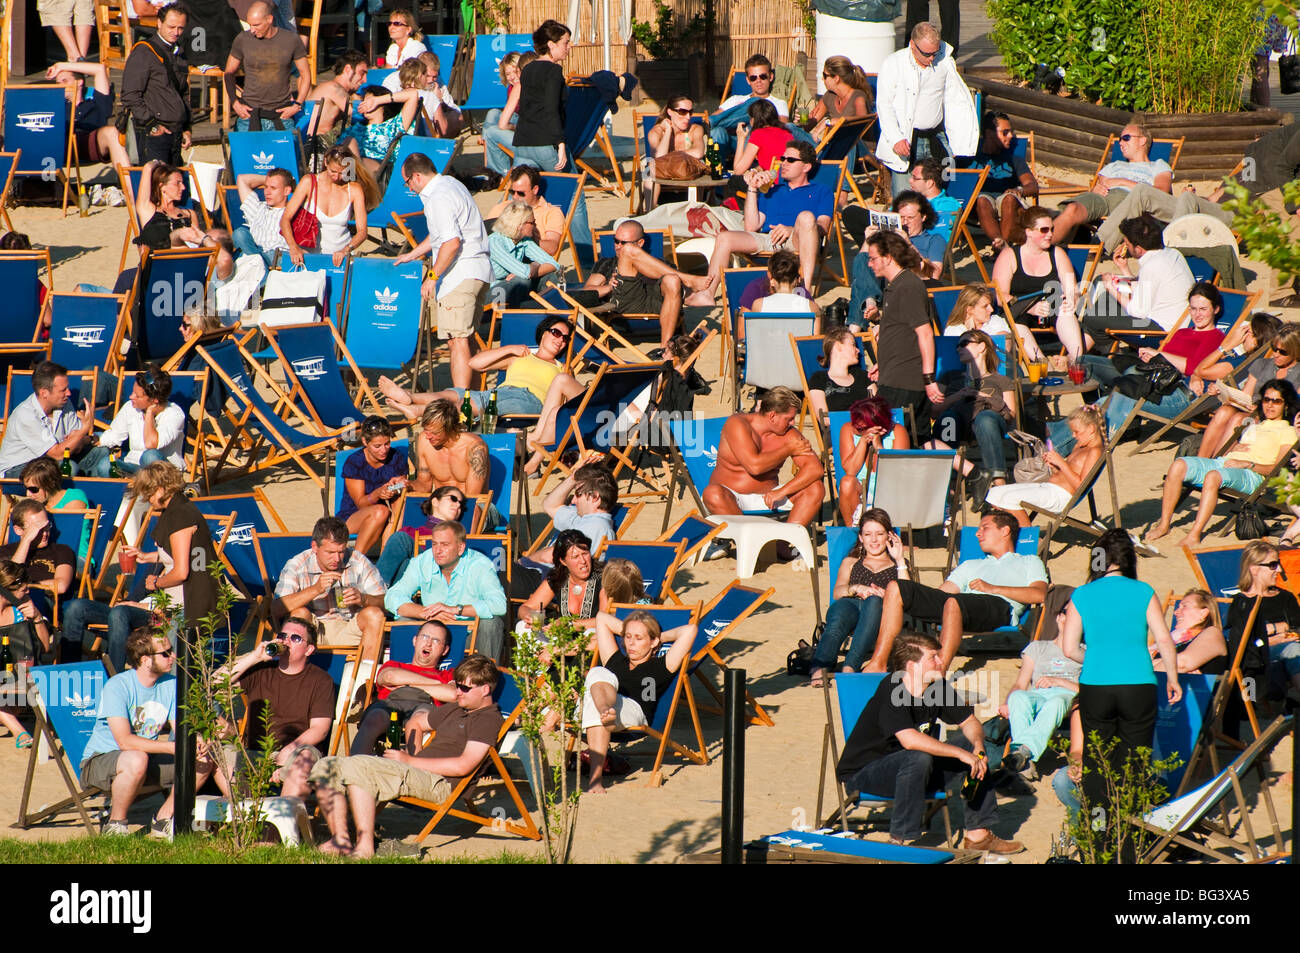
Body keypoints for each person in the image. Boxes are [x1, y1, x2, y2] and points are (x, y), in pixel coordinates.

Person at [835, 631, 1023, 853]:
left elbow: (970, 722)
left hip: (918, 771)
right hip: (867, 774)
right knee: (920, 755)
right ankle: (899, 841)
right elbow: (910, 740)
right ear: (913, 666)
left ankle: (978, 834)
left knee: (972, 747)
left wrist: (978, 749)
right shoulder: (892, 689)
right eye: (933, 657)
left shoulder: (937, 687)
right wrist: (959, 754)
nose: (941, 661)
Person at [310, 653, 501, 857]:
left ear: (485, 690)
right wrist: (415, 756)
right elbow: (415, 723)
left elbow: (463, 766)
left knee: (359, 766)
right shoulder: (457, 709)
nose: (457, 693)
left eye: (464, 688)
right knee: (327, 765)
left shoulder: (487, 720)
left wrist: (411, 761)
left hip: (440, 783)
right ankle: (341, 840)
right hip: (418, 771)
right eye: (457, 686)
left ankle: (365, 847)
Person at [1060, 529, 1182, 822]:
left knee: (1097, 759)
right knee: (1135, 760)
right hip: (1138, 683)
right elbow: (1164, 640)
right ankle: (1131, 832)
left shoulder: (1082, 594)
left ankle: (1102, 834)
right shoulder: (1143, 591)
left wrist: (1098, 658)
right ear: (1129, 559)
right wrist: (1174, 677)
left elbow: (1068, 648)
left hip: (1096, 686)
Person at [80, 627, 220, 837]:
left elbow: (179, 728)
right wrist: (172, 747)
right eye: (165, 653)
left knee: (202, 761)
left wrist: (196, 742)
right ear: (145, 660)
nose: (173, 656)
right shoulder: (118, 686)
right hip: (102, 761)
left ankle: (163, 819)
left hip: (145, 759)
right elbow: (125, 741)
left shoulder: (171, 685)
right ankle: (115, 825)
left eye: (171, 650)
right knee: (136, 758)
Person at [871, 510, 1048, 673]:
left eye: (984, 528)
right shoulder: (970, 564)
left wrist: (993, 588)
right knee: (897, 587)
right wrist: (897, 591)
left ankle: (937, 671)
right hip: (960, 605)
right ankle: (877, 664)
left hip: (1000, 607)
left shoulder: (1029, 561)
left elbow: (1040, 594)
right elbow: (941, 595)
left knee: (953, 602)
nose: (977, 533)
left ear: (1005, 531)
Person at [1147, 379, 1299, 548]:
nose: (1270, 405)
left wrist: (1247, 464)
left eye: (1276, 401)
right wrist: (1237, 445)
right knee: (1179, 465)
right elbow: (1230, 450)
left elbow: (1275, 470)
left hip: (1253, 475)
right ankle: (1164, 525)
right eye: (1266, 399)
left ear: (1286, 405)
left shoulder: (1288, 432)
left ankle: (1194, 534)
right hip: (1227, 463)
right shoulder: (1256, 423)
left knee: (1213, 476)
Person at [685, 140, 833, 307]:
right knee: (724, 238)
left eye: (790, 160)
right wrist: (752, 188)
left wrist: (792, 229)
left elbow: (822, 227)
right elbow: (751, 226)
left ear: (806, 167)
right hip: (768, 239)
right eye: (783, 158)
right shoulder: (772, 190)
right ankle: (708, 293)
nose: (783, 163)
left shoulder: (822, 191)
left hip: (799, 239)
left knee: (806, 217)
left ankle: (804, 292)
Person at [1076, 282, 1229, 444]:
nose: (1197, 314)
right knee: (1084, 363)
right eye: (1193, 308)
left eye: (1203, 309)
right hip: (1148, 376)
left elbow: (1195, 368)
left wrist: (1159, 354)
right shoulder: (1182, 332)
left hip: (1172, 391)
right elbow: (1163, 361)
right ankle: (1114, 417)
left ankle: (1096, 420)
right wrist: (1150, 357)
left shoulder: (1215, 337)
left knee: (1118, 394)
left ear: (1216, 309)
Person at [392, 152, 491, 391]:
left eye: (407, 183)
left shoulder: (437, 197)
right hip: (479, 270)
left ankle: (459, 405)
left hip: (460, 275)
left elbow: (451, 243)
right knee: (467, 340)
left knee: (457, 342)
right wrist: (412, 254)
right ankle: (474, 402)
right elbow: (441, 236)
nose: (410, 189)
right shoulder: (452, 184)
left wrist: (432, 277)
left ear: (415, 176)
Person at [216, 616, 334, 798]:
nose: (286, 641)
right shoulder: (261, 670)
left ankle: (280, 824)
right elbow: (216, 682)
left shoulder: (320, 680)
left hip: (296, 752)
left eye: (295, 638)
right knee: (210, 752)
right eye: (282, 636)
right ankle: (247, 816)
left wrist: (289, 750)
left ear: (309, 649)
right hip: (253, 753)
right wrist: (255, 657)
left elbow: (320, 730)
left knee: (304, 761)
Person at [582, 611, 696, 792]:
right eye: (628, 637)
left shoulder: (661, 666)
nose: (631, 643)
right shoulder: (615, 660)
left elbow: (690, 630)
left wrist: (658, 638)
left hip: (635, 711)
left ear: (653, 642)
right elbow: (602, 618)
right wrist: (632, 629)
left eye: (638, 638)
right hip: (605, 709)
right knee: (598, 673)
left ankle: (604, 709)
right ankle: (605, 709)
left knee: (596, 696)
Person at [702, 387, 825, 550]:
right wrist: (788, 449)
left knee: (816, 488)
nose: (793, 423)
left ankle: (784, 545)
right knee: (712, 493)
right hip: (732, 499)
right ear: (772, 415)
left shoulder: (789, 434)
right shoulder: (738, 424)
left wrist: (781, 492)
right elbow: (754, 466)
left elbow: (815, 469)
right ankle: (749, 543)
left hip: (770, 498)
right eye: (789, 418)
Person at [875, 22, 978, 196]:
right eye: (926, 54)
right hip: (907, 139)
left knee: (943, 190)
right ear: (912, 45)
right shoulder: (894, 63)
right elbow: (884, 105)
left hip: (936, 136)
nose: (931, 58)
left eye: (935, 53)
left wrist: (956, 140)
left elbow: (955, 100)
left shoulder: (944, 61)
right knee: (905, 196)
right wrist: (895, 138)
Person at [385, 520, 508, 663]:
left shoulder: (480, 565)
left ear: (460, 548)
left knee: (491, 623)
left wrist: (455, 609)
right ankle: (402, 678)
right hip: (431, 635)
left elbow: (499, 605)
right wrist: (427, 613)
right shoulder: (421, 562)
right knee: (404, 621)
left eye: (445, 545)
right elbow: (392, 596)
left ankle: (485, 679)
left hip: (469, 635)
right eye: (434, 544)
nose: (437, 551)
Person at [810, 508, 908, 686]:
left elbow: (908, 595)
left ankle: (850, 666)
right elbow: (837, 592)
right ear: (861, 537)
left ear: (889, 536)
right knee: (840, 611)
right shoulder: (851, 562)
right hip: (851, 605)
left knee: (873, 601)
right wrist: (856, 588)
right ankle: (819, 667)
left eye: (879, 534)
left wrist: (900, 560)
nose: (874, 539)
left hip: (881, 611)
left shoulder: (898, 565)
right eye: (868, 534)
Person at [273, 516, 386, 670]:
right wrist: (316, 589)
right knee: (299, 614)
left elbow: (386, 603)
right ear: (315, 547)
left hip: (350, 627)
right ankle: (292, 676)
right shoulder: (298, 565)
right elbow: (276, 609)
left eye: (341, 552)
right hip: (313, 630)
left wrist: (364, 599)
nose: (337, 558)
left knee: (374, 614)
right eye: (330, 552)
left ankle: (364, 681)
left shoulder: (358, 561)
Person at [582, 220, 708, 350]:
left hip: (658, 302)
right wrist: (608, 287)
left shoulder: (662, 264)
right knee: (628, 251)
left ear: (640, 243)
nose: (618, 246)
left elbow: (679, 293)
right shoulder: (607, 263)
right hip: (628, 301)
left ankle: (665, 348)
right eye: (616, 241)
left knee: (672, 279)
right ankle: (687, 278)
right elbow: (587, 291)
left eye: (623, 242)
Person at [120, 462, 220, 625]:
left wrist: (156, 583)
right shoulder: (180, 508)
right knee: (121, 611)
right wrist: (146, 556)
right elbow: (184, 554)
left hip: (188, 607)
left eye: (149, 494)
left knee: (121, 613)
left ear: (160, 488)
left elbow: (181, 572)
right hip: (191, 601)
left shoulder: (179, 517)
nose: (147, 500)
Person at [866, 230, 941, 443]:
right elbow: (901, 332)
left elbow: (925, 333)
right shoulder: (897, 286)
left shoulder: (908, 286)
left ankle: (969, 471)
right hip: (895, 375)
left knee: (897, 441)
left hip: (904, 383)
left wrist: (929, 379)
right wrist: (884, 363)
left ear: (889, 257)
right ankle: (969, 472)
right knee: (917, 442)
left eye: (873, 259)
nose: (870, 265)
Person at [1079, 213, 1194, 351]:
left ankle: (1109, 354)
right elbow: (1148, 289)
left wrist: (1111, 287)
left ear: (1138, 249)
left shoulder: (1152, 265)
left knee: (1093, 318)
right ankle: (1081, 350)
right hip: (1177, 320)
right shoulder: (1171, 254)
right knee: (1106, 301)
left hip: (1162, 331)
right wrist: (1124, 268)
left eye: (1127, 244)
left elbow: (1138, 311)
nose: (1125, 247)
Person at [1051, 122, 1173, 245]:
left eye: (1126, 138)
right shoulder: (1114, 166)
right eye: (1120, 139)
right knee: (1072, 208)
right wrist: (1095, 189)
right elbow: (1101, 183)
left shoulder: (1158, 165)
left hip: (1131, 201)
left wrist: (1121, 181)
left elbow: (1160, 192)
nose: (1120, 143)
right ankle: (1048, 247)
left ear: (1142, 140)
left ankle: (1097, 245)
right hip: (1103, 198)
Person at [999, 600, 1081, 779]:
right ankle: (1024, 759)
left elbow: (1090, 691)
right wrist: (1008, 702)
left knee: (1056, 702)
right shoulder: (1037, 648)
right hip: (1037, 695)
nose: (1073, 619)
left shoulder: (1086, 653)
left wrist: (1059, 681)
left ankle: (1022, 752)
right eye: (1069, 613)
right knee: (1019, 697)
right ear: (1060, 617)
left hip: (1067, 696)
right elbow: (1020, 683)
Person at [349, 620, 456, 756]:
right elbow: (389, 677)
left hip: (426, 705)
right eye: (424, 637)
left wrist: (407, 684)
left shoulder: (447, 674)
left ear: (445, 650)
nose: (428, 643)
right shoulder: (395, 665)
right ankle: (354, 767)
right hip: (390, 704)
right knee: (373, 718)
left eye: (436, 640)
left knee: (419, 719)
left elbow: (453, 694)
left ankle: (414, 769)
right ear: (415, 641)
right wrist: (437, 685)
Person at [986, 403, 1103, 527]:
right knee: (994, 493)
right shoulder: (1080, 445)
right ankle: (1015, 533)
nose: (1073, 435)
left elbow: (1081, 485)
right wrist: (1055, 467)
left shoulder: (1094, 452)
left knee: (1010, 498)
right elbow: (1068, 472)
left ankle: (1031, 541)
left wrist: (1061, 463)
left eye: (1076, 432)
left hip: (1060, 496)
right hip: (1048, 487)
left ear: (1091, 429)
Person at [1197, 320, 1300, 457]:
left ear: (1296, 352)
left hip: (1277, 418)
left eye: (1283, 352)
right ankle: (1200, 462)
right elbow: (1246, 395)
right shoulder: (1262, 364)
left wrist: (1260, 409)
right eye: (1274, 348)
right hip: (1252, 410)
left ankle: (1217, 463)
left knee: (1239, 419)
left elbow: (1293, 408)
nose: (1276, 354)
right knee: (1224, 411)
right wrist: (1221, 392)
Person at [1222, 542, 1300, 721]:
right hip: (1258, 655)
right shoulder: (1241, 603)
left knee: (1294, 649)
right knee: (1293, 650)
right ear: (1254, 569)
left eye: (1278, 563)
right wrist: (1271, 634)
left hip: (1287, 649)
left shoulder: (1285, 597)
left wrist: (1271, 634)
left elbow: (1296, 629)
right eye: (1273, 565)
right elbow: (1245, 641)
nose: (1279, 570)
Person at [992, 205, 1082, 359]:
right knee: (1016, 319)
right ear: (1028, 232)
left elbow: (1072, 289)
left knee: (1065, 310)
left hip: (1051, 307)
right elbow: (1000, 296)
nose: (1050, 234)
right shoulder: (1009, 256)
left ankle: (1077, 359)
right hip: (1019, 310)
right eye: (1044, 230)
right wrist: (1030, 306)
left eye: (1052, 229)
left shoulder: (1058, 255)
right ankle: (1039, 363)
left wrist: (1072, 300)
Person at [933, 329, 1018, 491]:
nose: (958, 348)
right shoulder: (951, 377)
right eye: (957, 346)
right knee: (947, 419)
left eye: (964, 343)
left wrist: (982, 396)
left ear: (981, 347)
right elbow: (934, 412)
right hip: (957, 426)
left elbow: (1011, 415)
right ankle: (945, 483)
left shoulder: (1001, 380)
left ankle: (998, 483)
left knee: (985, 418)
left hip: (988, 425)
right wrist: (958, 396)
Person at [0, 360, 98, 478]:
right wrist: (84, 430)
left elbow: (76, 445)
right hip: (18, 468)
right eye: (63, 390)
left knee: (100, 453)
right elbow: (57, 454)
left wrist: (78, 440)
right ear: (44, 393)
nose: (69, 393)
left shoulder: (64, 404)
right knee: (68, 468)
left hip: (53, 460)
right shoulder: (26, 415)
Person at [121, 3, 191, 167]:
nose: (176, 32)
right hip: (153, 133)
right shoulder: (144, 52)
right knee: (155, 187)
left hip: (175, 131)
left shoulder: (179, 52)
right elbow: (130, 95)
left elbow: (183, 93)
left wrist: (187, 127)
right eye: (171, 27)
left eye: (180, 28)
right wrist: (152, 125)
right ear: (159, 23)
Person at [483, 164, 565, 305]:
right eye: (512, 192)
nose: (515, 197)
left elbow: (552, 252)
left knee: (550, 277)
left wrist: (531, 262)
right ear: (519, 224)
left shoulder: (551, 212)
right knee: (521, 281)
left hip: (529, 268)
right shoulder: (502, 209)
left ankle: (549, 314)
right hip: (501, 284)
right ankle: (516, 316)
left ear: (535, 189)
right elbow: (484, 237)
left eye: (521, 193)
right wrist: (529, 268)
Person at [223, 1, 311, 131]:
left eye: (256, 25)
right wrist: (235, 103)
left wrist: (298, 104)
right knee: (241, 151)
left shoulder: (291, 39)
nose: (252, 30)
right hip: (249, 113)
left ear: (269, 19)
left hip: (281, 114)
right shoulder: (243, 39)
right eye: (250, 25)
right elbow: (229, 72)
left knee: (288, 151)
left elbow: (305, 74)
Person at [281, 145, 372, 267]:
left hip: (341, 257)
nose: (337, 177)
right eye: (333, 171)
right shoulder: (309, 182)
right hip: (309, 256)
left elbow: (362, 232)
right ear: (325, 162)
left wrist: (345, 250)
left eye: (342, 173)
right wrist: (293, 247)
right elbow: (285, 219)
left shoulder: (353, 189)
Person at [92, 364, 187, 475]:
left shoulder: (174, 414)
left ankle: (145, 488)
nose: (131, 397)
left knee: (150, 456)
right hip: (133, 467)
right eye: (133, 392)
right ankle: (130, 487)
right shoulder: (130, 407)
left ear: (154, 400)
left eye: (137, 396)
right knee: (106, 464)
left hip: (163, 471)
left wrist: (149, 413)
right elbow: (114, 435)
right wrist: (92, 438)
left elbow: (151, 444)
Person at [834, 395, 911, 527]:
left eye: (863, 428)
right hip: (861, 491)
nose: (858, 430)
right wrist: (863, 441)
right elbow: (850, 471)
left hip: (890, 490)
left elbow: (896, 474)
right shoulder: (848, 429)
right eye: (858, 428)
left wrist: (878, 447)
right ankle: (854, 532)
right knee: (846, 482)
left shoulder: (898, 432)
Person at [529, 455, 618, 566]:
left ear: (595, 498)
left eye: (578, 494)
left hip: (544, 576)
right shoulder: (581, 516)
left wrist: (523, 562)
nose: (573, 500)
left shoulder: (596, 527)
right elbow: (549, 506)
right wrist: (573, 478)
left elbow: (549, 557)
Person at [337, 416, 407, 556]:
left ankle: (385, 561)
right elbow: (360, 504)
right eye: (377, 446)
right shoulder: (355, 462)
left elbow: (404, 490)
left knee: (401, 500)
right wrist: (378, 493)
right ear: (365, 441)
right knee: (380, 511)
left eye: (387, 444)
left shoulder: (396, 458)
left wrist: (400, 485)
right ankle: (356, 562)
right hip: (353, 515)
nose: (383, 450)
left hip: (388, 515)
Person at [0, 561, 52, 749]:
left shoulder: (22, 612)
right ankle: (19, 731)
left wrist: (37, 618)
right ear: (6, 590)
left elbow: (46, 648)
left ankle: (15, 724)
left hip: (19, 684)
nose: (28, 592)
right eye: (24, 588)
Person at [46, 60, 132, 172]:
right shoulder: (56, 106)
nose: (61, 85)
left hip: (91, 143)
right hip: (64, 146)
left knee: (112, 132)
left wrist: (60, 65)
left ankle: (130, 187)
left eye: (65, 81)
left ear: (79, 82)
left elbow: (100, 69)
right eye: (58, 83)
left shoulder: (97, 103)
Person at [374, 485, 470, 586]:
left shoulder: (456, 534)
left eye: (461, 504)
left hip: (437, 568)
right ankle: (382, 594)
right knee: (406, 564)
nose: (458, 505)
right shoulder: (409, 531)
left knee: (401, 538)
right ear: (435, 502)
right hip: (416, 573)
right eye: (453, 499)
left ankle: (375, 589)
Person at [970, 112, 1038, 252]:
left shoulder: (1014, 158)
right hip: (979, 205)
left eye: (1010, 132)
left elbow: (1032, 186)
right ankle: (998, 242)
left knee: (1008, 199)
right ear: (989, 134)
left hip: (1008, 203)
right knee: (982, 200)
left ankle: (1001, 247)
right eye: (1005, 132)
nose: (1010, 136)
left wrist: (1019, 190)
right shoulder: (971, 157)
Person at [518, 530, 610, 630]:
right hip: (562, 639)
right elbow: (524, 608)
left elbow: (605, 620)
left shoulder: (603, 578)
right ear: (563, 561)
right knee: (521, 626)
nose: (583, 561)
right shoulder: (558, 578)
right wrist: (529, 617)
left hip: (593, 639)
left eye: (585, 553)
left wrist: (569, 624)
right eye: (575, 557)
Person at [943, 283, 1044, 364]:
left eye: (990, 305)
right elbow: (955, 360)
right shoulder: (954, 329)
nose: (991, 309)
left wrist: (972, 343)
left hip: (997, 373)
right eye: (985, 306)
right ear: (969, 310)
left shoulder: (994, 320)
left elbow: (1004, 347)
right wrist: (988, 343)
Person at [18, 458, 90, 569]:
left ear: (50, 483)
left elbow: (67, 537)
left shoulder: (75, 498)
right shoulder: (38, 505)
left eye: (33, 489)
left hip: (74, 556)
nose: (28, 494)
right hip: (41, 555)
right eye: (26, 488)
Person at [340, 81, 422, 172]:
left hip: (381, 169)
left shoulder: (393, 125)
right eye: (364, 101)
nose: (365, 104)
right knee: (349, 142)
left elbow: (413, 95)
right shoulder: (354, 129)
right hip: (347, 168)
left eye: (368, 101)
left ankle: (350, 179)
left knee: (352, 148)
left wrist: (377, 100)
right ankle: (349, 179)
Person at [380, 51, 463, 137]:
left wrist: (441, 102)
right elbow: (443, 130)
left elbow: (454, 109)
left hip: (396, 133)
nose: (431, 80)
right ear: (420, 73)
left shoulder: (436, 84)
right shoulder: (393, 81)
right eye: (427, 76)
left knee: (455, 116)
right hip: (404, 127)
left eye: (434, 77)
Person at [1150, 589, 1227, 676]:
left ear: (1203, 613)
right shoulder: (1169, 641)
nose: (1176, 612)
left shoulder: (1213, 634)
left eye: (1184, 606)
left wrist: (1143, 667)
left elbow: (1181, 663)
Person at [304, 50, 370, 146]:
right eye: (362, 73)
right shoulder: (333, 88)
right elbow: (357, 113)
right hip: (318, 145)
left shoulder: (336, 89)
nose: (365, 80)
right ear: (348, 69)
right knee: (353, 140)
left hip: (323, 143)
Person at [231, 168, 294, 265]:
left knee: (243, 259)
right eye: (266, 187)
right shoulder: (258, 207)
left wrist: (287, 180)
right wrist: (269, 179)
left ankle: (257, 267)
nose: (267, 192)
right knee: (239, 233)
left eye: (273, 188)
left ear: (287, 191)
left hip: (278, 256)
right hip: (255, 251)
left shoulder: (294, 211)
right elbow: (242, 179)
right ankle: (259, 266)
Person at [486, 51, 534, 176]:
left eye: (515, 71)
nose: (512, 77)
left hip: (526, 133)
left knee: (491, 132)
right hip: (517, 122)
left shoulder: (528, 88)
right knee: (493, 113)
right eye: (508, 74)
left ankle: (501, 174)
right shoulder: (512, 88)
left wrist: (511, 127)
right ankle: (490, 169)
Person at [808, 327, 872, 420]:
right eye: (853, 345)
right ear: (838, 346)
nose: (858, 350)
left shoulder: (863, 376)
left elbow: (879, 410)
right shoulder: (819, 379)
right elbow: (824, 419)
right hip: (839, 431)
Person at [809, 55, 873, 143]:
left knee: (846, 139)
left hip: (856, 145)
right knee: (791, 128)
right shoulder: (829, 96)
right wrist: (803, 120)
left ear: (836, 78)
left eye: (825, 75)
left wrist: (831, 121)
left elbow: (861, 123)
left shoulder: (858, 97)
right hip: (833, 146)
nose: (822, 78)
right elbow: (810, 125)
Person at [731, 98, 792, 176]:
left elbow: (738, 171)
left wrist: (740, 139)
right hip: (785, 178)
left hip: (770, 182)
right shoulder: (787, 133)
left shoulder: (758, 134)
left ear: (754, 119)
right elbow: (769, 161)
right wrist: (755, 170)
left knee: (734, 180)